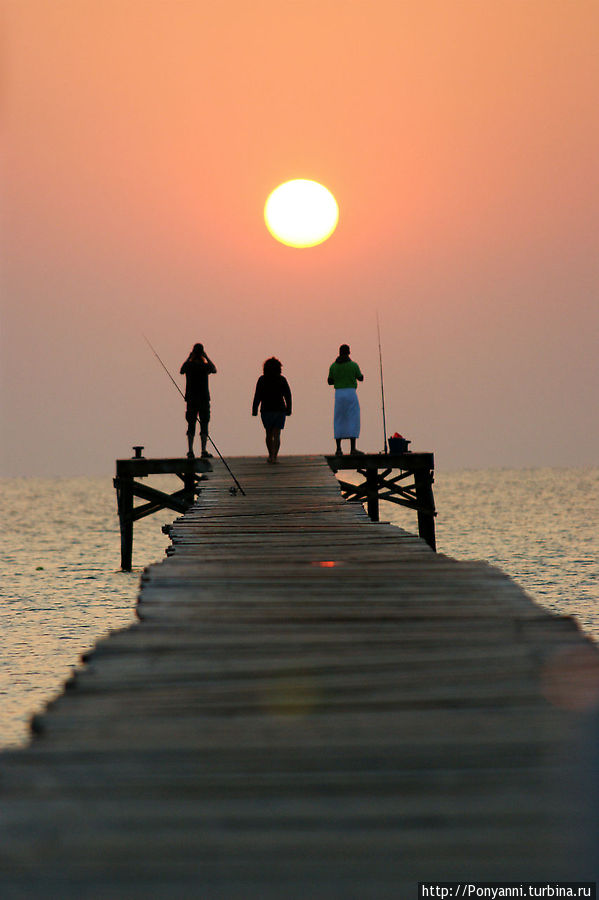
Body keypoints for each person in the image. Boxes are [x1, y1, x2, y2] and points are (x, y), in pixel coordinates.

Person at [252, 357, 292, 464]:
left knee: (268, 433)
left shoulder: (262, 379)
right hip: (279, 410)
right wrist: (289, 408)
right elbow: (288, 395)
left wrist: (254, 409)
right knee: (277, 434)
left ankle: (271, 455)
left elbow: (257, 395)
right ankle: (275, 456)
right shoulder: (282, 379)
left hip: (266, 410)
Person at [180, 343, 217, 458]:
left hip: (191, 399)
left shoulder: (189, 366)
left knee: (191, 425)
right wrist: (206, 357)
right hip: (204, 399)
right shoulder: (204, 366)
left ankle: (190, 451)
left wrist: (188, 357)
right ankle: (203, 450)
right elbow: (214, 369)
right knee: (204, 424)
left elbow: (181, 370)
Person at [327, 343, 364, 456]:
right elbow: (360, 378)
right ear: (348, 353)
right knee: (353, 418)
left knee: (339, 419)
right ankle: (353, 449)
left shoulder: (333, 366)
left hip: (339, 394)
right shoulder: (354, 365)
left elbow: (329, 381)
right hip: (351, 393)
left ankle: (338, 449)